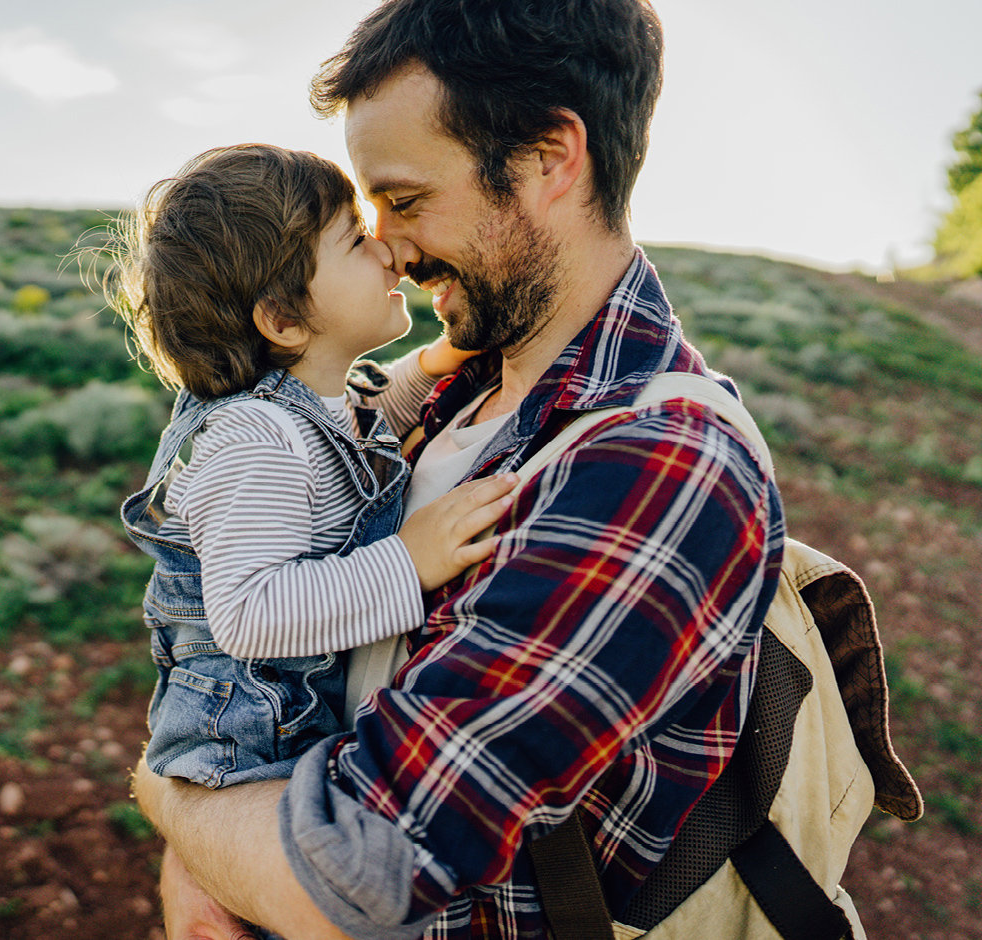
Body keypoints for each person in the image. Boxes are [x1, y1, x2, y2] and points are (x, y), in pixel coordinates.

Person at [132, 1, 788, 939]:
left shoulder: (664, 464)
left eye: (403, 201)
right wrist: (213, 844)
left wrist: (173, 801)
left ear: (547, 159)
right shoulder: (467, 379)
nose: (389, 246)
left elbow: (356, 878)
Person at [112, 144, 519, 793]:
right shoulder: (255, 441)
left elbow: (357, 424)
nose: (387, 250)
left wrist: (434, 364)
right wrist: (408, 565)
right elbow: (250, 612)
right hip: (249, 748)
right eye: (357, 240)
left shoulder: (303, 411)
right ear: (282, 318)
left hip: (293, 721)